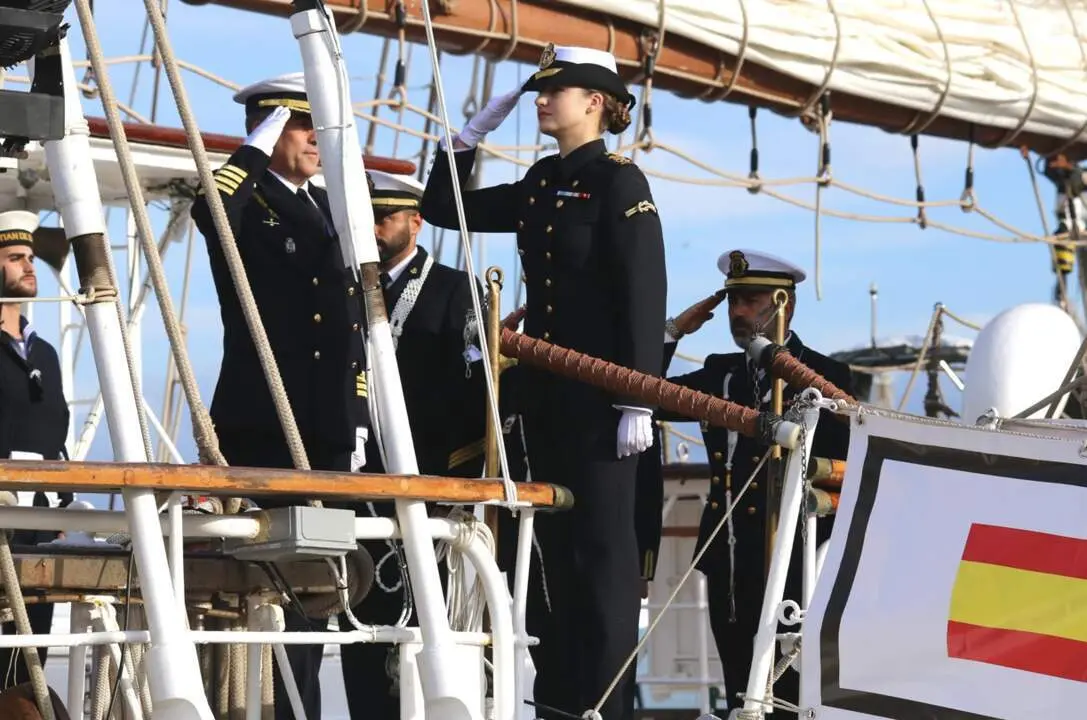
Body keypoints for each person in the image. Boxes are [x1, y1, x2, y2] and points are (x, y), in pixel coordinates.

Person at [421, 43, 668, 720]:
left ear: (593, 101)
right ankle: (558, 704)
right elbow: (443, 208)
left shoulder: (621, 184)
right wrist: (469, 137)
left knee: (604, 565)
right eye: (536, 92)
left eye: (551, 92)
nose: (538, 101)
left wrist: (635, 398)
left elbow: (643, 294)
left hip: (603, 402)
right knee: (551, 558)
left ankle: (608, 708)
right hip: (543, 398)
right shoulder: (537, 183)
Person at [189, 72, 370, 720]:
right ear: (270, 129)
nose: (317, 140)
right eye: (302, 126)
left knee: (317, 587)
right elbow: (208, 210)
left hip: (321, 426)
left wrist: (354, 416)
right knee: (268, 584)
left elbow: (350, 325)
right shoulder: (249, 199)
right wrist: (255, 145)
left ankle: (303, 711)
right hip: (265, 417)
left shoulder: (327, 205)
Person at [658, 249, 852, 716]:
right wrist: (672, 331)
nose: (737, 312)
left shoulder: (828, 378)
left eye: (750, 300)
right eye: (732, 301)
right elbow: (645, 393)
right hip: (729, 564)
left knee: (789, 697)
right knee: (739, 693)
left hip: (798, 571)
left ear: (783, 303)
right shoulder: (721, 374)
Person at [337, 169, 486, 719]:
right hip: (355, 479)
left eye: (385, 218)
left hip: (426, 478)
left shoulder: (453, 291)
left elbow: (477, 396)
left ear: (415, 223)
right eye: (366, 219)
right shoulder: (344, 287)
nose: (374, 229)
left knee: (424, 621)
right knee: (357, 614)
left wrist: (458, 480)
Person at [0, 209, 71, 689]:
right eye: (14, 257)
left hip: (39, 521)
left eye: (29, 257)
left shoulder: (42, 351)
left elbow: (54, 433)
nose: (30, 266)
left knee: (32, 664)